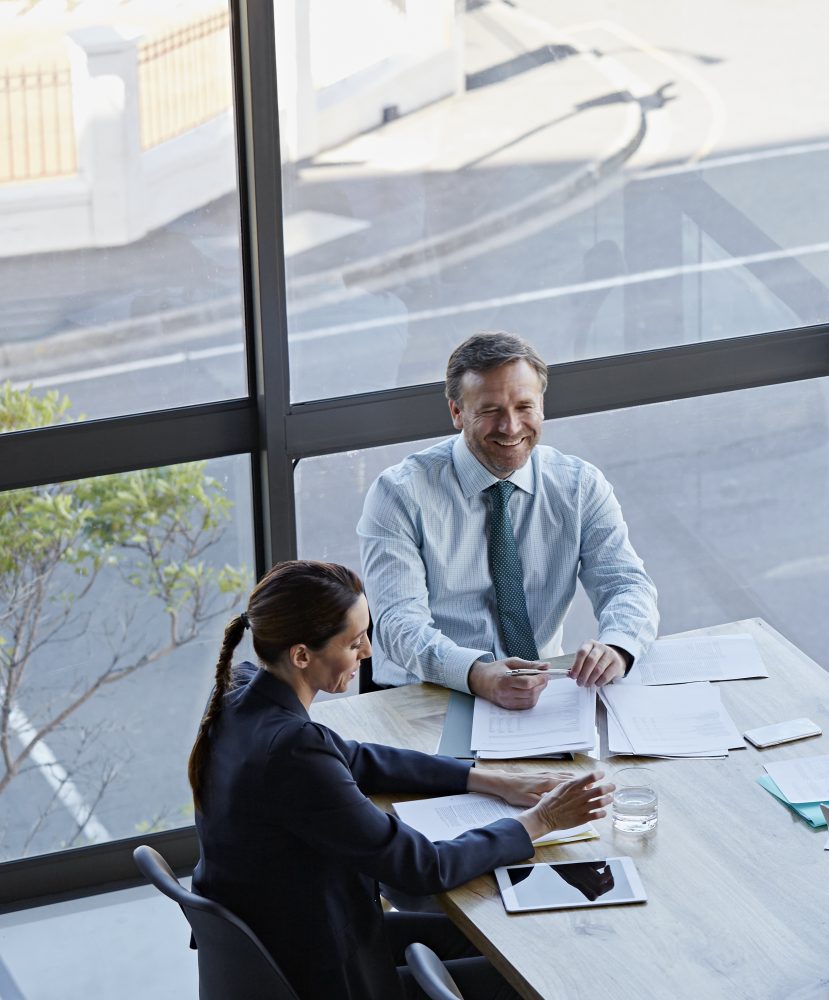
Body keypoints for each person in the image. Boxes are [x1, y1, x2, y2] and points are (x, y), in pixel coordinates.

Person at [186, 560, 611, 1000]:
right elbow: (422, 868)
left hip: (287, 940)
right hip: (324, 971)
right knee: (529, 973)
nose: (368, 651)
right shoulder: (292, 751)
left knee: (481, 939)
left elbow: (356, 758)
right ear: (301, 655)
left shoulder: (240, 694)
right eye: (354, 643)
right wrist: (541, 820)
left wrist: (489, 779)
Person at [358, 331, 659, 708]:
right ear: (457, 412)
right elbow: (399, 625)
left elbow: (627, 585)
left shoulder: (579, 485)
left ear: (542, 405)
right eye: (490, 411)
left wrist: (617, 646)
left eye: (524, 407)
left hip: (537, 690)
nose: (511, 427)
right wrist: (477, 674)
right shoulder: (399, 494)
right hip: (428, 693)